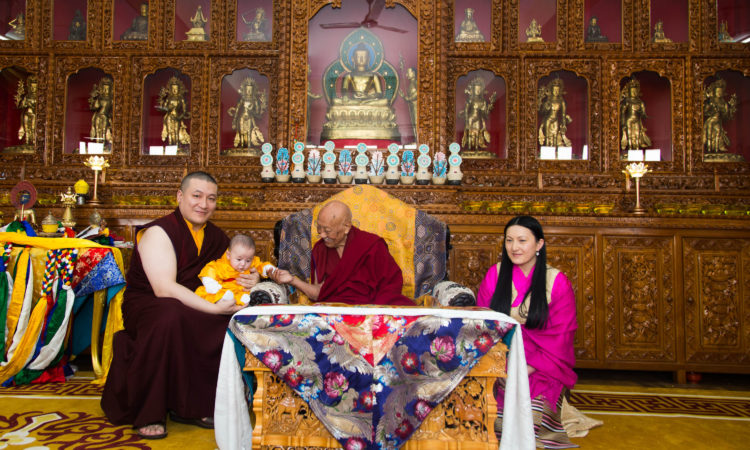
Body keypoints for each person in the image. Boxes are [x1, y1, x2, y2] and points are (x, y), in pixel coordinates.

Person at [101, 171, 259, 440]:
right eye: (196, 196)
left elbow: (232, 270)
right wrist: (212, 308)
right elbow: (164, 288)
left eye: (211, 198)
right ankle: (150, 411)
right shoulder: (159, 232)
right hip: (151, 303)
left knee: (229, 321)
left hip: (193, 302)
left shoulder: (218, 238)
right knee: (171, 315)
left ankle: (195, 406)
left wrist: (251, 277)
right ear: (180, 196)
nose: (203, 204)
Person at [476, 215, 580, 447]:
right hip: (500, 360)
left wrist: (525, 369)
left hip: (542, 364)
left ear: (539, 244)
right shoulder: (495, 275)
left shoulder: (556, 281)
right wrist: (500, 368)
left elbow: (562, 336)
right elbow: (482, 325)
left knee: (531, 422)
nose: (514, 247)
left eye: (522, 240)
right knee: (492, 423)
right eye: (509, 240)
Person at [270, 200, 414, 306]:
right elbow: (319, 293)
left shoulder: (372, 246)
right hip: (336, 312)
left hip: (371, 311)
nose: (321, 234)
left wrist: (371, 313)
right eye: (319, 228)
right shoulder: (320, 249)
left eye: (327, 230)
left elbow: (390, 287)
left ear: (346, 227)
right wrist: (292, 280)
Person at [195, 234, 275, 306]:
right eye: (239, 259)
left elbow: (260, 265)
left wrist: (267, 268)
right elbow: (209, 271)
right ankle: (227, 299)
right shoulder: (222, 265)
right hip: (224, 290)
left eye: (248, 260)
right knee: (211, 295)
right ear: (229, 255)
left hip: (242, 291)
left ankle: (244, 301)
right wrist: (210, 284)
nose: (243, 264)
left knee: (251, 295)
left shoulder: (252, 263)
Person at [227, 77, 266, 149]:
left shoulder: (255, 100)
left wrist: (251, 111)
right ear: (244, 90)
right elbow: (238, 109)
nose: (248, 91)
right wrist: (234, 121)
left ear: (253, 90)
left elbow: (258, 114)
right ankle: (242, 146)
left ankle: (248, 147)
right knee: (241, 132)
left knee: (249, 132)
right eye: (247, 89)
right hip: (242, 117)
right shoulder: (243, 99)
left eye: (250, 90)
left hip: (250, 118)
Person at [460, 76, 496, 151]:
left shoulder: (483, 101)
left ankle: (477, 147)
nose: (478, 91)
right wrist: (466, 120)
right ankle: (469, 147)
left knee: (478, 131)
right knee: (470, 132)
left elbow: (485, 113)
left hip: (478, 118)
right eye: (476, 89)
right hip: (471, 118)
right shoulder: (470, 100)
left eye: (479, 89)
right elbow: (466, 110)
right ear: (473, 89)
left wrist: (489, 106)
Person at [703, 77, 737, 154]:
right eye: (717, 91)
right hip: (711, 121)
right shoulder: (711, 102)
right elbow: (705, 111)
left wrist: (730, 108)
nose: (719, 93)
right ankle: (709, 149)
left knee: (718, 134)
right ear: (714, 92)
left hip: (718, 121)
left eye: (720, 92)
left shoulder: (724, 103)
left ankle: (716, 149)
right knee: (709, 135)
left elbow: (726, 116)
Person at [538, 77, 572, 148]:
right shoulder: (549, 100)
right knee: (547, 136)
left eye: (557, 90)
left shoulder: (561, 101)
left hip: (555, 119)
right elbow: (542, 111)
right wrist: (546, 105)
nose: (556, 92)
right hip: (548, 119)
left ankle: (555, 150)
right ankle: (547, 150)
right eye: (554, 90)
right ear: (552, 90)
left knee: (555, 136)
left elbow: (563, 114)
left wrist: (563, 124)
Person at [157, 76, 191, 147]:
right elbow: (164, 108)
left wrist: (180, 117)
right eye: (173, 89)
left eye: (176, 89)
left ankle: (177, 146)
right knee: (170, 131)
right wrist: (164, 104)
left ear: (179, 89)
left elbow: (184, 110)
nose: (174, 90)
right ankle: (170, 146)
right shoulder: (168, 98)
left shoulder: (181, 98)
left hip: (177, 116)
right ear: (170, 89)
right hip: (169, 116)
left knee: (176, 131)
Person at [619, 78, 652, 151]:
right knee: (629, 134)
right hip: (629, 119)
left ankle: (637, 148)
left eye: (635, 91)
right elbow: (623, 113)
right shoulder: (627, 101)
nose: (634, 93)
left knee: (637, 133)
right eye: (632, 91)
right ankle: (630, 148)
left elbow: (643, 114)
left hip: (637, 119)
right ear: (629, 92)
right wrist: (623, 122)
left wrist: (642, 111)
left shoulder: (640, 102)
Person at [89, 77, 114, 148]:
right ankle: (98, 146)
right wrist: (94, 98)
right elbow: (95, 107)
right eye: (104, 89)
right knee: (97, 130)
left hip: (105, 116)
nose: (106, 91)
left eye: (107, 89)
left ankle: (103, 145)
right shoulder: (100, 98)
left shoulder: (111, 100)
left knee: (104, 130)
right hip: (98, 115)